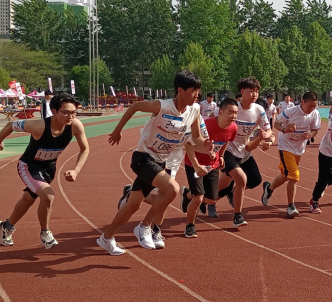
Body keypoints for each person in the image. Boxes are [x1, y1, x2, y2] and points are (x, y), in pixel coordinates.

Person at [97, 71, 209, 255]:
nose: (197, 94)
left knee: (133, 205)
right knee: (172, 189)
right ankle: (144, 226)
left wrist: (205, 145)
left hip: (160, 161)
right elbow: (135, 107)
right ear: (180, 90)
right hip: (143, 158)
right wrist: (117, 131)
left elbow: (196, 138)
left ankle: (106, 237)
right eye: (193, 90)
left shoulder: (194, 110)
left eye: (198, 90)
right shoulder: (162, 106)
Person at [0, 93, 89, 249]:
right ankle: (45, 233)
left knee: (28, 199)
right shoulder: (39, 126)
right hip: (28, 166)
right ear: (54, 111)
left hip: (49, 169)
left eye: (74, 112)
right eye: (66, 112)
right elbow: (11, 125)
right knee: (48, 195)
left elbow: (85, 149)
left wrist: (76, 170)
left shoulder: (75, 126)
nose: (70, 116)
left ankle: (5, 228)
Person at [216, 77, 272, 227]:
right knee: (241, 179)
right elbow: (215, 121)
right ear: (242, 91)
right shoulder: (233, 108)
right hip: (227, 149)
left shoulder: (258, 110)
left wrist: (265, 136)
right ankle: (238, 216)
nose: (254, 94)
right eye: (251, 91)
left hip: (244, 151)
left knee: (254, 179)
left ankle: (192, 196)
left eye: (257, 91)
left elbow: (268, 130)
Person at [180, 98, 238, 237]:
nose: (234, 116)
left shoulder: (233, 128)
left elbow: (226, 140)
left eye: (236, 113)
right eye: (231, 112)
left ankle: (187, 194)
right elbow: (188, 143)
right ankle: (190, 226)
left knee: (211, 200)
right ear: (220, 112)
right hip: (194, 164)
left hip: (212, 165)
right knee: (198, 198)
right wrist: (196, 164)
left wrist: (221, 155)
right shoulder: (205, 125)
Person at [261, 92, 321, 217]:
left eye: (314, 106)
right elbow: (276, 123)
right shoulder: (290, 112)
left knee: (286, 175)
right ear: (302, 102)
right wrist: (285, 130)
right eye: (310, 106)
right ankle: (291, 206)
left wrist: (310, 135)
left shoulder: (315, 113)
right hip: (285, 146)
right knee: (294, 175)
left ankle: (269, 188)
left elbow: (315, 130)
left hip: (299, 148)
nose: (312, 109)